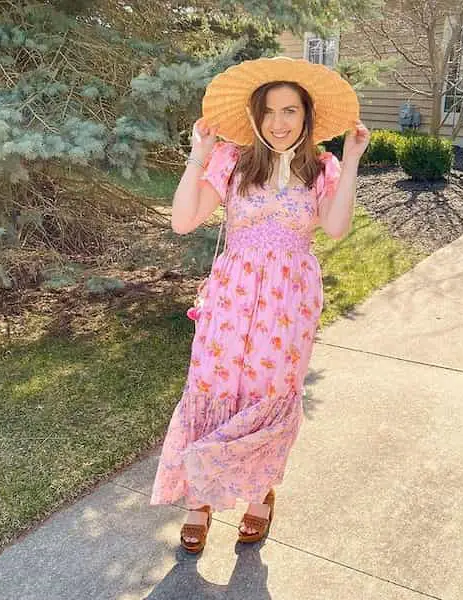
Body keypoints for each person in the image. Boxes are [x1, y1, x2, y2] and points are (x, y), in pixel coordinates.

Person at [150, 56, 370, 553]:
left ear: (306, 115)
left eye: (290, 110)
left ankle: (258, 494)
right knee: (213, 385)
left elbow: (335, 227)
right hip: (232, 296)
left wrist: (353, 159)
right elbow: (184, 220)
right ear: (255, 115)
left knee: (268, 394)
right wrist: (198, 156)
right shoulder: (232, 160)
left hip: (288, 302)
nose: (279, 121)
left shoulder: (324, 168)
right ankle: (198, 501)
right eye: (269, 111)